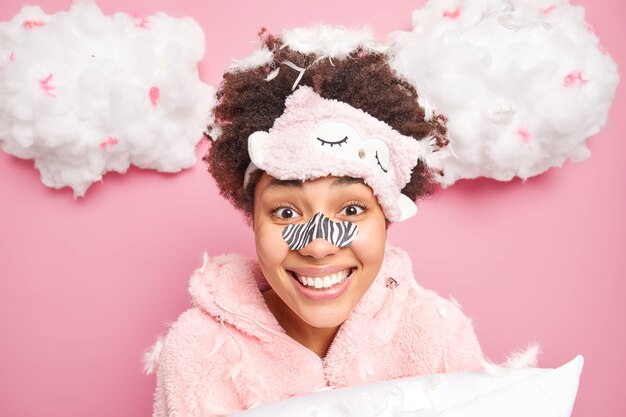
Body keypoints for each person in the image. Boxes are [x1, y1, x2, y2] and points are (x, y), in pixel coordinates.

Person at [145, 27, 486, 417]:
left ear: (387, 220)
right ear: (253, 220)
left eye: (352, 210)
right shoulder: (200, 347)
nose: (319, 246)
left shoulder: (437, 333)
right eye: (286, 212)